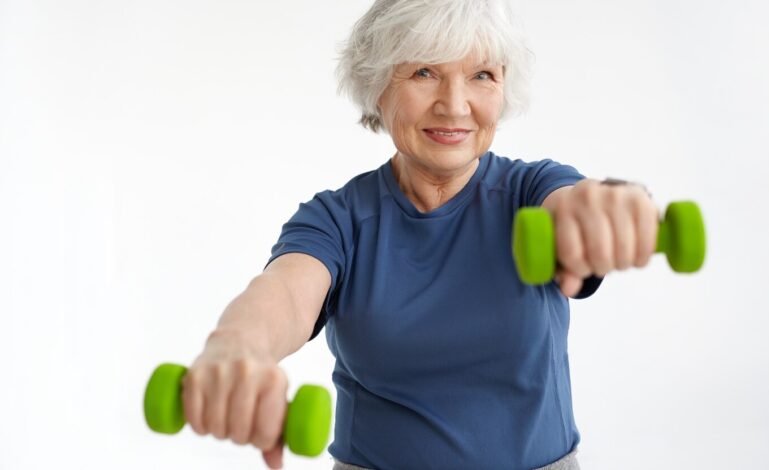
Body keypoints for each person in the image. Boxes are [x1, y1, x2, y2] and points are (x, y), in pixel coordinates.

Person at [181, 0, 659, 469]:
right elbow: (284, 293)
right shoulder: (338, 219)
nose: (454, 106)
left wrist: (612, 206)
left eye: (482, 75)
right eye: (424, 72)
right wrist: (237, 346)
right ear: (378, 87)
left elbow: (576, 205)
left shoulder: (533, 192)